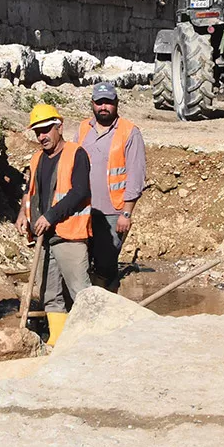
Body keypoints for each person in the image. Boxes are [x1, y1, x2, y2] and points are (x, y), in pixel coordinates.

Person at [15, 104, 92, 345]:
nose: (42, 136)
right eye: (38, 132)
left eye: (47, 130)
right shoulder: (37, 157)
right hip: (44, 237)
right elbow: (30, 191)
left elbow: (80, 192)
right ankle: (56, 341)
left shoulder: (76, 153)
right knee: (50, 295)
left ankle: (92, 341)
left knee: (81, 292)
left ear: (60, 126)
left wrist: (50, 216)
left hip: (70, 235)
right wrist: (22, 213)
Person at [76, 82, 146, 292]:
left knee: (105, 264)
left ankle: (107, 300)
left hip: (113, 212)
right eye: (99, 103)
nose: (103, 107)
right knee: (82, 263)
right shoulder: (82, 129)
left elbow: (136, 175)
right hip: (84, 209)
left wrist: (127, 212)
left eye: (108, 102)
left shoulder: (129, 132)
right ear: (92, 104)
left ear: (116, 103)